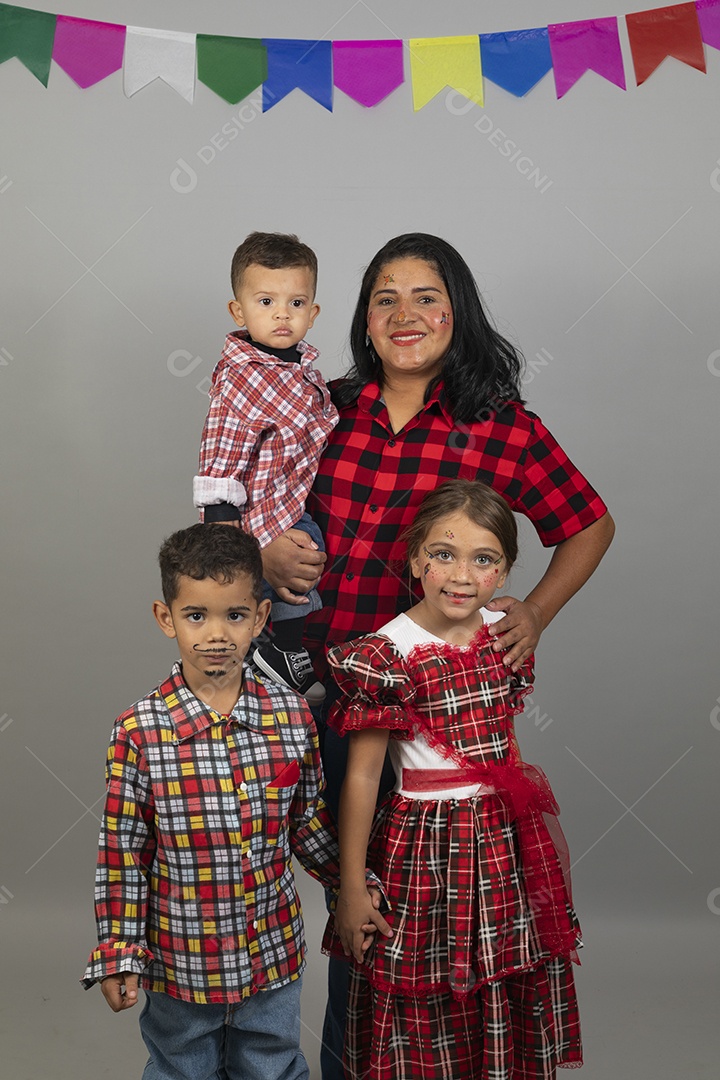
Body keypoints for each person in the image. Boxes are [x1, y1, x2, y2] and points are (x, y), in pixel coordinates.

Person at [259, 232, 615, 1078]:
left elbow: (588, 523)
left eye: (426, 296)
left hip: (428, 713)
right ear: (362, 318)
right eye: (385, 297)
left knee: (407, 910)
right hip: (313, 685)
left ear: (458, 311)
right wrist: (263, 552)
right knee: (330, 897)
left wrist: (533, 609)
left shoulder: (501, 425)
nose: (405, 314)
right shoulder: (321, 405)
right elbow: (247, 498)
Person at [81, 523, 389, 1080]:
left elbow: (308, 825)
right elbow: (123, 854)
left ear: (262, 618)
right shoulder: (139, 731)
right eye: (197, 616)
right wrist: (119, 951)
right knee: (181, 1071)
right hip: (182, 962)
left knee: (273, 1067)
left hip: (271, 955)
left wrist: (354, 887)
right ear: (165, 617)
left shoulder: (292, 717)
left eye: (236, 615)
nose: (216, 634)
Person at [326, 479, 583, 1079]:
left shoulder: (503, 631)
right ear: (415, 558)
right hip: (426, 845)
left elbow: (504, 744)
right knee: (427, 981)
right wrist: (353, 884)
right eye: (443, 554)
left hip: (502, 842)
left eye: (483, 559)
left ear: (506, 571)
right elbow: (362, 778)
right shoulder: (388, 653)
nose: (461, 574)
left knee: (501, 972)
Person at [193, 231, 338, 703]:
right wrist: (229, 533)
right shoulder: (243, 376)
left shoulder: (301, 372)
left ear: (313, 313)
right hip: (258, 513)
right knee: (302, 548)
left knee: (307, 546)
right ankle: (280, 650)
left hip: (288, 500)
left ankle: (270, 646)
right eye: (266, 300)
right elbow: (221, 451)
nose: (282, 314)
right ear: (239, 312)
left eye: (296, 302)